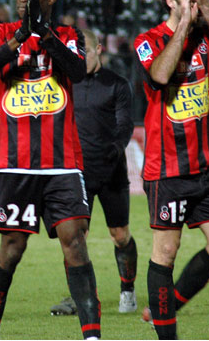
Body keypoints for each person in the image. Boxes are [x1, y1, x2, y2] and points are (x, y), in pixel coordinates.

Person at [0, 0, 101, 340]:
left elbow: (77, 71)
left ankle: (92, 336)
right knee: (12, 248)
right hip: (15, 163)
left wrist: (44, 37)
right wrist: (16, 41)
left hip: (62, 162)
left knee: (75, 239)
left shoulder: (68, 36)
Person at [134, 0, 209, 339]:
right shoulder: (147, 41)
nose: (195, 5)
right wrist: (183, 27)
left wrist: (207, 8)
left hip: (207, 166)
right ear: (171, 2)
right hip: (168, 170)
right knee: (166, 250)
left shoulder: (207, 34)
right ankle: (167, 334)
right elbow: (160, 76)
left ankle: (168, 305)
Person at [50, 29, 137, 316]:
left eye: (83, 53)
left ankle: (128, 291)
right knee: (74, 236)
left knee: (120, 235)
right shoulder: (63, 83)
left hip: (111, 171)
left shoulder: (117, 84)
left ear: (98, 49)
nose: (78, 59)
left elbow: (125, 124)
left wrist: (116, 147)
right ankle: (80, 298)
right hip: (76, 174)